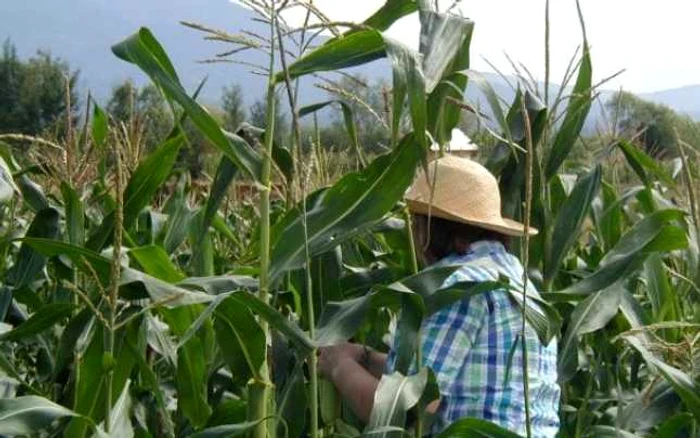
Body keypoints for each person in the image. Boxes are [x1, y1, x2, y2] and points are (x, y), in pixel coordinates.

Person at [318, 155, 560, 437]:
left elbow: (405, 410)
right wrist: (366, 357)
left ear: (429, 228)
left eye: (416, 223)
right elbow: (450, 374)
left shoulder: (457, 285)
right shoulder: (516, 278)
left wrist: (339, 366)